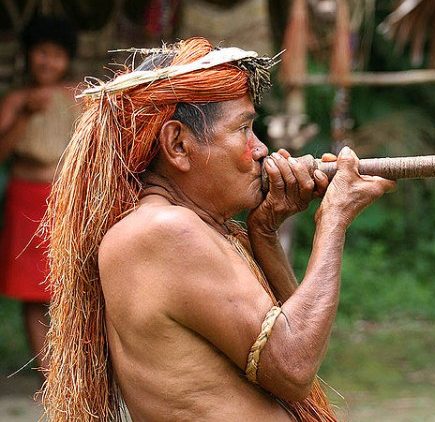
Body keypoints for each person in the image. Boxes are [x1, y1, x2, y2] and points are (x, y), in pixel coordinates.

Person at [41, 37, 395, 421]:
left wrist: (263, 234)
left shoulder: (181, 227)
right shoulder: (165, 231)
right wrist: (334, 218)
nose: (261, 150)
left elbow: (296, 342)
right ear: (178, 145)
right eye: (244, 130)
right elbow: (294, 369)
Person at [0, 15, 78, 374]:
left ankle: (72, 369)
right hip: (25, 199)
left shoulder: (78, 96)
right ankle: (49, 376)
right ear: (29, 55)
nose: (48, 61)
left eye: (56, 54)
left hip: (65, 198)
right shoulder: (16, 100)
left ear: (68, 59)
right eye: (41, 53)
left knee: (69, 283)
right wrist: (25, 115)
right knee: (32, 291)